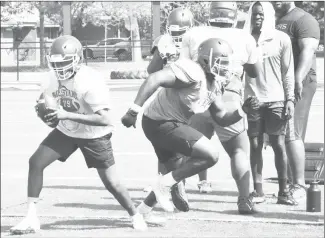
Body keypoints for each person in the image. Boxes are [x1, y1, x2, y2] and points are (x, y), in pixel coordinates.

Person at [10, 35, 148, 235]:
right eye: (55, 63)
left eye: (64, 62)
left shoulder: (89, 80)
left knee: (112, 183)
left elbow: (106, 119)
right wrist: (43, 110)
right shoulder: (50, 78)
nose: (59, 68)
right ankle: (31, 217)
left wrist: (66, 114)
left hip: (94, 134)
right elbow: (47, 101)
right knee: (36, 162)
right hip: (67, 130)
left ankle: (135, 214)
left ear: (77, 59)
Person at [121, 37, 260, 215]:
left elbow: (221, 117)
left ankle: (142, 212)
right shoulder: (191, 70)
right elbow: (155, 78)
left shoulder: (215, 83)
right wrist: (133, 110)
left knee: (175, 174)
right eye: (221, 62)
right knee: (210, 155)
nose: (225, 67)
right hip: (160, 123)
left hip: (168, 123)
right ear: (204, 59)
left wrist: (243, 111)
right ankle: (165, 185)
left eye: (227, 63)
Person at [178, 1, 263, 213]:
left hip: (198, 96)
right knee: (238, 151)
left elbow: (183, 67)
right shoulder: (245, 37)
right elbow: (255, 72)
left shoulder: (193, 33)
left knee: (187, 149)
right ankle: (244, 198)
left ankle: (176, 187)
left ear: (211, 13)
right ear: (233, 15)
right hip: (229, 96)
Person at [243, 1, 296, 205]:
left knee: (278, 145)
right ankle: (258, 191)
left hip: (276, 100)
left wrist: (289, 99)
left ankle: (284, 191)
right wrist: (244, 99)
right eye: (255, 14)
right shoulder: (244, 39)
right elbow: (238, 73)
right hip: (253, 101)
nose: (258, 17)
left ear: (270, 16)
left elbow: (287, 72)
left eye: (262, 14)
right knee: (254, 145)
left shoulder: (281, 39)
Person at [142, 7, 193, 214]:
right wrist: (164, 60)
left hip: (189, 97)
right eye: (175, 30)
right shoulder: (164, 41)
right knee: (167, 145)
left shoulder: (196, 41)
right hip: (169, 98)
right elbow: (151, 70)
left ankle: (172, 184)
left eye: (183, 30)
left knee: (183, 145)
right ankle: (167, 185)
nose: (179, 35)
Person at [273, 2, 320, 202]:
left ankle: (299, 185)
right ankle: (288, 184)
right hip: (277, 83)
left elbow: (307, 51)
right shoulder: (270, 18)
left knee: (293, 131)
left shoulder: (304, 19)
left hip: (299, 82)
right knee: (279, 135)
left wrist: (298, 79)